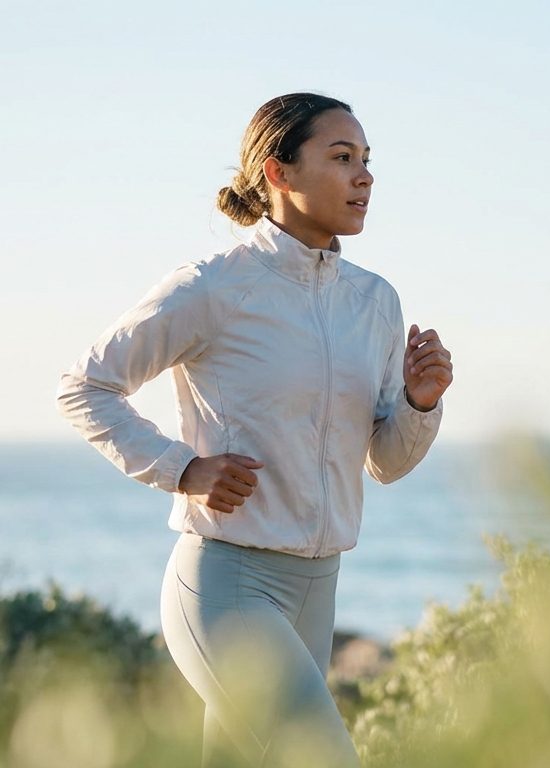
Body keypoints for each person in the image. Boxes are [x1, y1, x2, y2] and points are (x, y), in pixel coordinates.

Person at [55, 92, 453, 767]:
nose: (364, 177)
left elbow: (384, 463)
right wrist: (182, 468)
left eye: (366, 160)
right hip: (226, 585)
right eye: (342, 158)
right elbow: (85, 387)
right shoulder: (214, 287)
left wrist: (420, 403)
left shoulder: (375, 301)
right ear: (279, 171)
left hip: (318, 591)